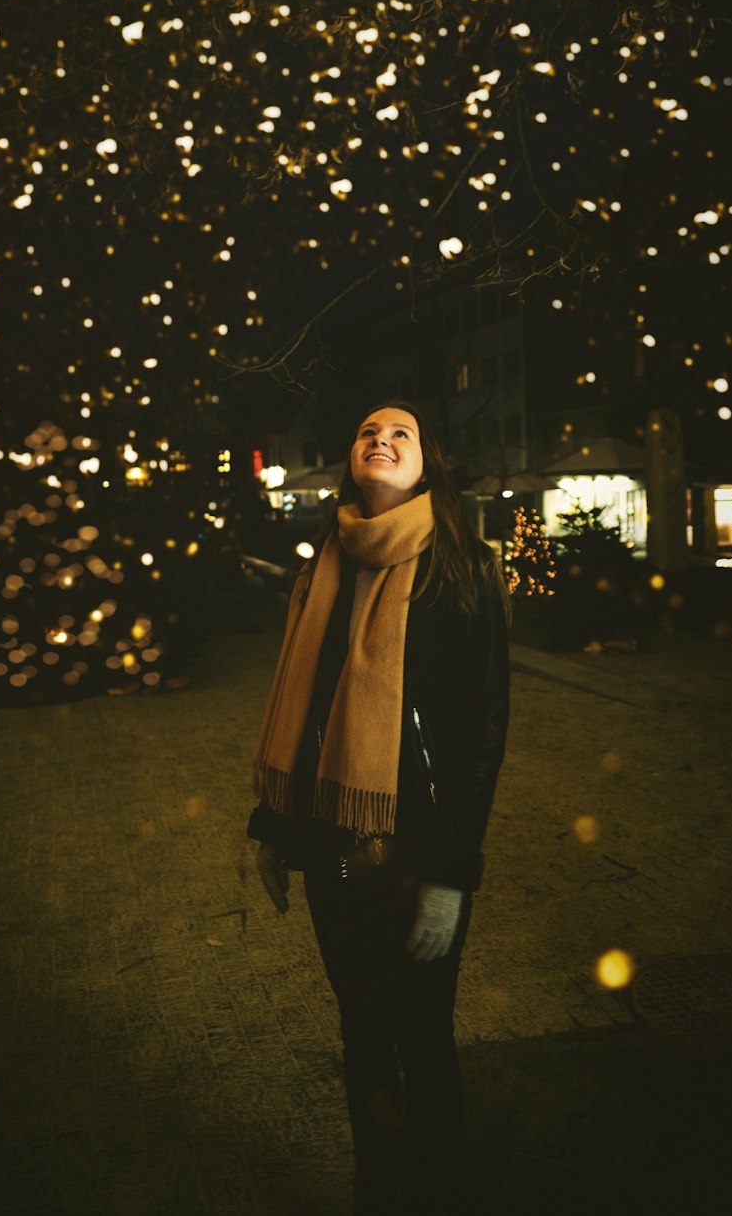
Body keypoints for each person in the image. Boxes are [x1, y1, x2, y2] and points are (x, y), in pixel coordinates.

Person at [248, 401, 511, 1216]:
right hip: (333, 841)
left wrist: (450, 875)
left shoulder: (457, 567)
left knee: (424, 1035)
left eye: (402, 434)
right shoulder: (324, 562)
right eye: (368, 431)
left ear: (426, 463)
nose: (382, 440)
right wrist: (274, 825)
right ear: (350, 459)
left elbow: (480, 732)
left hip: (417, 846)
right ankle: (379, 1192)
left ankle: (438, 1190)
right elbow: (306, 704)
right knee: (362, 1032)